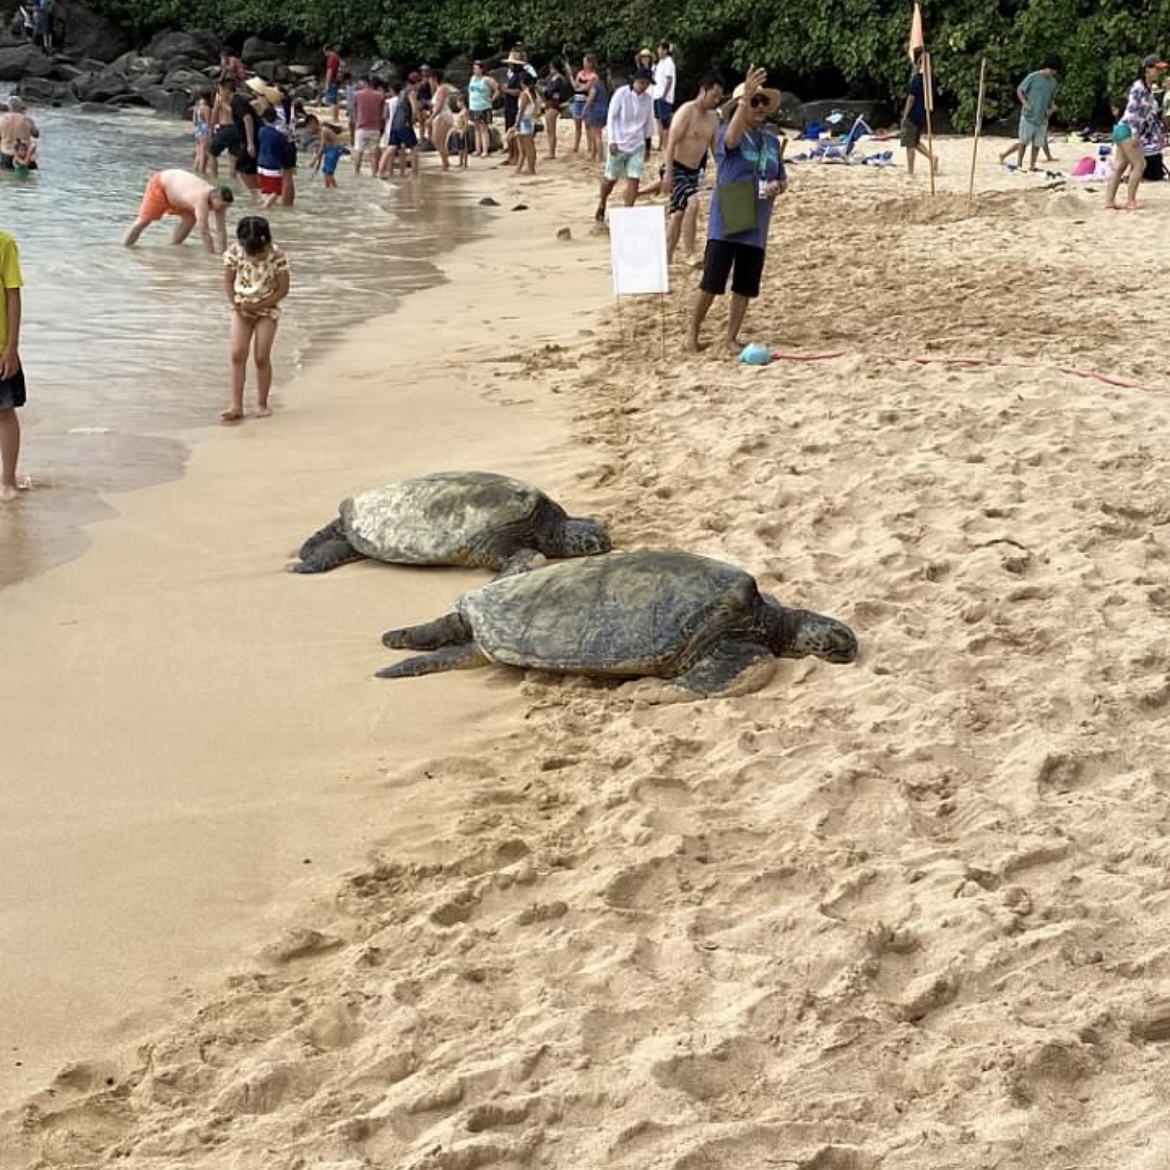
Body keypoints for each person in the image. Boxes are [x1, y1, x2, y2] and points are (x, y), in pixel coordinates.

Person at [686, 68, 787, 354]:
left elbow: (781, 176)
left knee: (745, 283)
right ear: (740, 107)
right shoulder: (725, 134)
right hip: (731, 208)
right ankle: (692, 331)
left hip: (758, 216)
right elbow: (730, 141)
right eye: (753, 102)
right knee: (713, 280)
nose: (759, 107)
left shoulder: (770, 140)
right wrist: (743, 100)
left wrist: (778, 185)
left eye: (762, 103)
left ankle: (731, 337)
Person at [221, 215, 289, 423]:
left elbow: (283, 289)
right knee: (237, 354)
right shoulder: (234, 252)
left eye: (257, 252)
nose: (254, 256)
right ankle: (236, 405)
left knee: (261, 356)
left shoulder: (276, 255)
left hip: (267, 309)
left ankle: (261, 403)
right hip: (242, 308)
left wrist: (259, 306)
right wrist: (238, 306)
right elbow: (228, 282)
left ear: (265, 241)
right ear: (241, 242)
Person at [662, 72, 725, 264]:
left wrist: (723, 171)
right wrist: (667, 174)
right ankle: (690, 253)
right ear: (704, 91)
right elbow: (670, 144)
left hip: (694, 171)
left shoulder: (713, 118)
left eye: (719, 97)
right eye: (713, 95)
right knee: (693, 204)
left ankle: (667, 255)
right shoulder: (686, 112)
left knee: (678, 215)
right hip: (676, 167)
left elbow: (715, 149)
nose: (716, 100)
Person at [1105, 55, 1167, 210]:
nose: (1159, 72)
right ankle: (1130, 201)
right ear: (1147, 69)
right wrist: (1134, 133)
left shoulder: (1147, 88)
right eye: (1156, 69)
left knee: (1120, 166)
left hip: (1121, 128)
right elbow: (1133, 111)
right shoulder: (1139, 87)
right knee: (1140, 164)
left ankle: (1109, 201)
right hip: (1127, 129)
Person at [123, 169, 234, 253]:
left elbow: (221, 231)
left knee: (190, 219)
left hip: (178, 195)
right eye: (223, 206)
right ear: (214, 197)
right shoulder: (201, 198)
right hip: (161, 185)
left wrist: (224, 254)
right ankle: (125, 247)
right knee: (144, 221)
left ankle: (174, 246)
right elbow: (204, 231)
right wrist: (211, 255)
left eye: (227, 207)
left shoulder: (219, 201)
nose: (224, 209)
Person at [595, 67, 655, 222]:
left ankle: (628, 211)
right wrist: (612, 140)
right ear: (634, 81)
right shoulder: (621, 94)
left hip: (637, 143)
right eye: (642, 82)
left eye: (647, 83)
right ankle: (602, 202)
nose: (644, 86)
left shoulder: (648, 100)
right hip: (619, 142)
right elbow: (612, 117)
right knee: (611, 178)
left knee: (634, 178)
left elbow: (648, 123)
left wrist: (648, 145)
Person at [998, 58, 1062, 171]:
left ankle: (1032, 165)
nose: (1054, 74)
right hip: (1028, 116)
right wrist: (1025, 103)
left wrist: (1052, 107)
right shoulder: (1033, 77)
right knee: (1023, 142)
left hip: (1042, 117)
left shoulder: (1053, 82)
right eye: (1053, 71)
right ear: (1047, 68)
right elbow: (1020, 90)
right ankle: (1019, 164)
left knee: (1037, 143)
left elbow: (1050, 98)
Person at [0, 229, 25, 502]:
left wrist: (12, 348)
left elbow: (13, 296)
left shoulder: (4, 243)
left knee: (4, 412)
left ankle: (8, 480)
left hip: (0, 348)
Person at [901, 47, 938, 177]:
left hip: (914, 114)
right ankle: (932, 157)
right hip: (924, 113)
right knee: (915, 141)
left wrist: (905, 115)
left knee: (909, 143)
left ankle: (910, 170)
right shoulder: (931, 79)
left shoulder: (917, 79)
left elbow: (911, 98)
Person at [381, 80, 420, 177]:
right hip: (404, 124)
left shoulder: (402, 93)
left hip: (395, 124)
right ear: (416, 83)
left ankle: (380, 171)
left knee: (391, 147)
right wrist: (413, 120)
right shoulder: (412, 92)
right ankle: (414, 173)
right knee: (414, 148)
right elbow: (414, 108)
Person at [351, 75, 385, 176]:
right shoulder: (380, 95)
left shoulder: (357, 94)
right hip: (375, 127)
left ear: (365, 83)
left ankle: (356, 172)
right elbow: (381, 112)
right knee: (374, 152)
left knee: (359, 150)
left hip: (361, 127)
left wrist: (355, 121)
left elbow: (354, 109)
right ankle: (374, 173)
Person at [542, 60, 573, 159]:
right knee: (549, 130)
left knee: (551, 130)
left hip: (553, 104)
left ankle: (552, 152)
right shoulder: (555, 79)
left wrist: (546, 91)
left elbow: (554, 93)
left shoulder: (558, 79)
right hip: (550, 103)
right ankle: (551, 151)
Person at [501, 50, 528, 164]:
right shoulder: (515, 75)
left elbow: (519, 91)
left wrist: (505, 90)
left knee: (514, 132)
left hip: (514, 107)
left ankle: (515, 156)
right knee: (509, 132)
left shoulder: (520, 76)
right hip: (509, 106)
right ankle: (511, 155)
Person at [0, 97, 39, 170]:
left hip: (6, 155)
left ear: (8, 106)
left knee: (7, 179)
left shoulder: (1, 120)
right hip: (24, 156)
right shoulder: (26, 119)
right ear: (21, 106)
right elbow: (36, 134)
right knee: (28, 179)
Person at [468, 60, 497, 157]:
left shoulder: (487, 79)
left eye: (476, 68)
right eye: (474, 69)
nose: (474, 70)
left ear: (482, 69)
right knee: (476, 129)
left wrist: (492, 99)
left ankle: (485, 150)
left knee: (483, 129)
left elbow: (498, 89)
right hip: (473, 106)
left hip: (483, 106)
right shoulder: (472, 78)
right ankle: (478, 149)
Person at [307, 115, 345, 186]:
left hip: (334, 150)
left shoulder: (324, 131)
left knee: (329, 173)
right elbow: (322, 149)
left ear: (314, 123)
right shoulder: (320, 132)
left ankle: (334, 188)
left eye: (310, 126)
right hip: (330, 151)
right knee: (325, 171)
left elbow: (322, 148)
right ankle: (327, 189)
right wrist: (317, 165)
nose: (309, 129)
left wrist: (313, 161)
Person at [572, 55, 598, 153]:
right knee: (577, 125)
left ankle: (590, 147)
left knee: (588, 126)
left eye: (585, 62)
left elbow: (586, 88)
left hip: (586, 100)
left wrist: (580, 86)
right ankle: (576, 146)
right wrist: (580, 86)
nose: (584, 64)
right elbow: (575, 86)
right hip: (578, 99)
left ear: (590, 63)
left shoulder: (594, 76)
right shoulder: (580, 73)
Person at [429, 69, 455, 170]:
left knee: (436, 140)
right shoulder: (439, 88)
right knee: (440, 141)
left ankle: (445, 163)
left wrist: (431, 118)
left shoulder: (442, 88)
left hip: (442, 115)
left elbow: (439, 106)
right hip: (441, 115)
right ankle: (445, 162)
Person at [653, 42, 677, 151]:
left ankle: (666, 145)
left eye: (660, 49)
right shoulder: (660, 63)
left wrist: (664, 95)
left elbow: (669, 79)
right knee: (658, 120)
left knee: (665, 122)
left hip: (664, 96)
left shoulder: (669, 63)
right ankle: (660, 144)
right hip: (657, 94)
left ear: (665, 50)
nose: (658, 52)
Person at [514, 73, 538, 174]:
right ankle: (520, 169)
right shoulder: (532, 93)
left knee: (526, 148)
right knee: (527, 147)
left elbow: (521, 110)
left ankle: (531, 169)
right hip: (529, 120)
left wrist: (517, 123)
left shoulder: (525, 94)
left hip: (524, 121)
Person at [192, 90, 212, 174]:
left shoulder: (196, 108)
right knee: (204, 153)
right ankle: (202, 172)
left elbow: (194, 122)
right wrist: (210, 133)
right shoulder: (206, 108)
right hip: (204, 130)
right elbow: (208, 122)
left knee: (198, 153)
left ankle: (195, 171)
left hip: (197, 130)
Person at [323, 44, 341, 122]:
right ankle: (336, 117)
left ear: (328, 51)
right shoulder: (337, 57)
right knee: (335, 100)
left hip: (332, 81)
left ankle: (334, 118)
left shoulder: (331, 59)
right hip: (336, 81)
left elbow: (329, 71)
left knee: (332, 100)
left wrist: (327, 83)